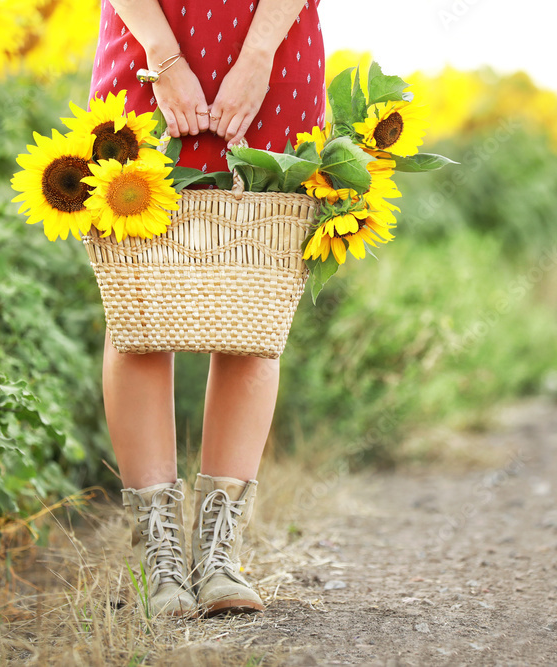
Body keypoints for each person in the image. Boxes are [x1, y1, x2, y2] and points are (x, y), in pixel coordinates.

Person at [87, 0, 325, 617]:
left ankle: (219, 555)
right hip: (146, 47)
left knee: (254, 303)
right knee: (139, 305)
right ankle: (161, 559)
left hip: (272, 53)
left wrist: (257, 54)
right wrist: (163, 57)